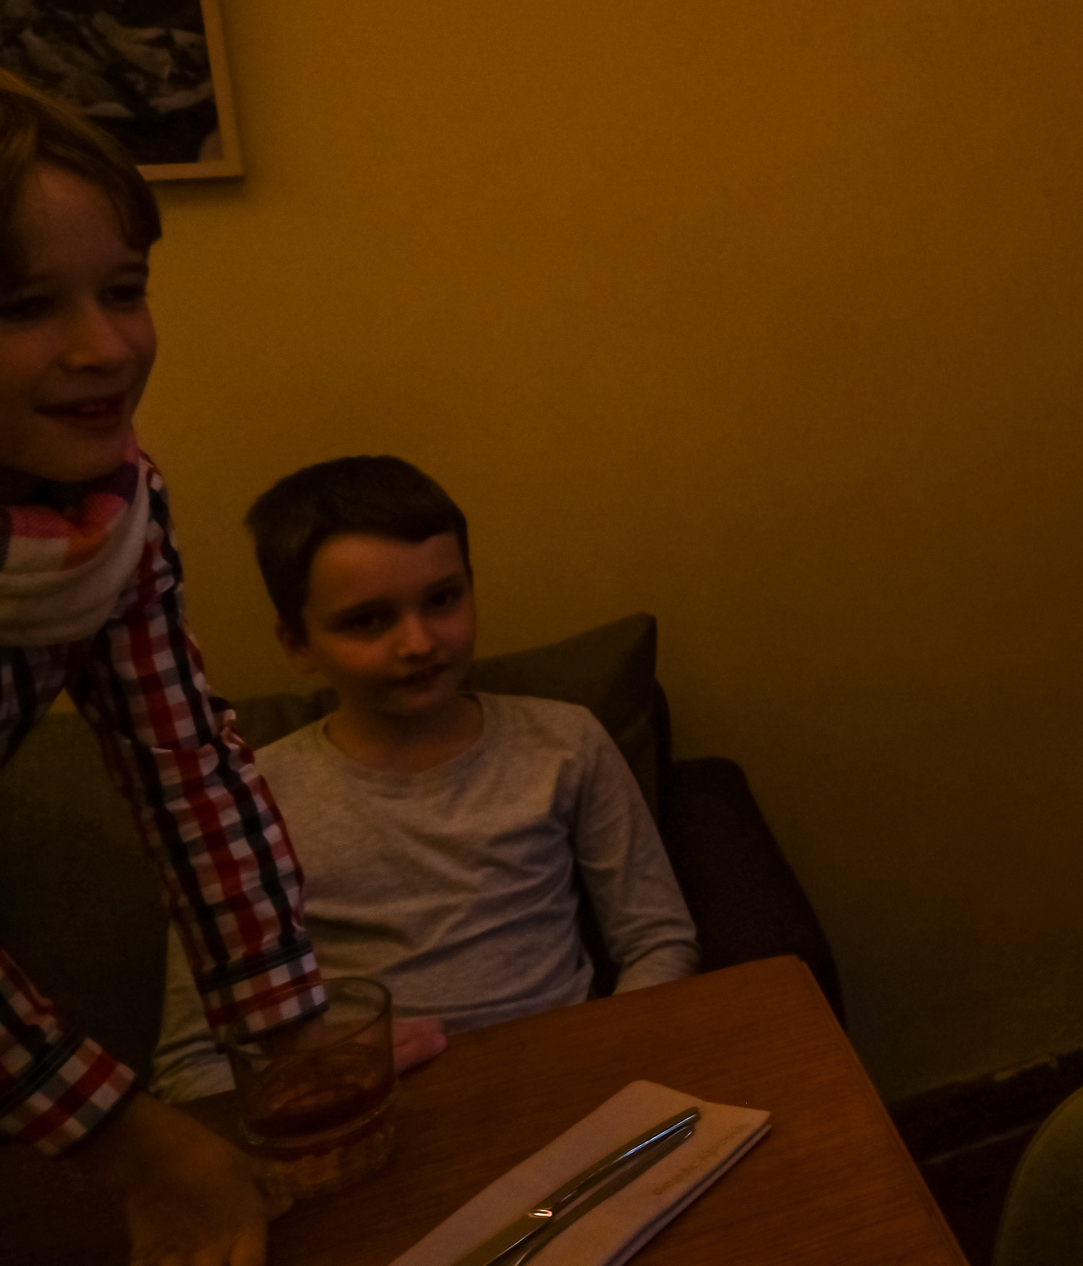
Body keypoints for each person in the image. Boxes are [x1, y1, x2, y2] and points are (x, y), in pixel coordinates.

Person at [0, 71, 324, 1265]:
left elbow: (185, 766)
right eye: (25, 306)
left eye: (124, 292)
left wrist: (290, 1033)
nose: (103, 349)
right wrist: (140, 1148)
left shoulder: (110, 507)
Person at [151, 456, 699, 1102]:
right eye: (367, 620)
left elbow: (658, 939)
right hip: (371, 1108)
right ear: (298, 644)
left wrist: (605, 1056)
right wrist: (319, 1083)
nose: (418, 643)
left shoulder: (566, 742)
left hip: (571, 1085)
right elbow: (189, 1062)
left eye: (442, 600)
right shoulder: (245, 801)